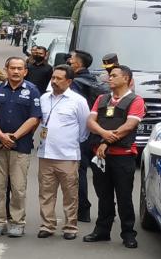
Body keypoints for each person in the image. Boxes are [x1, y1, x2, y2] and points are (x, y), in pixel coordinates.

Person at [84, 65, 145, 249]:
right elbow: (90, 121)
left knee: (125, 196)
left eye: (113, 75)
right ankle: (102, 230)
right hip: (101, 157)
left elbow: (129, 125)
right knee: (104, 196)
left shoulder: (136, 100)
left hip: (122, 157)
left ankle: (128, 234)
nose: (108, 78)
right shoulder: (102, 99)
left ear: (126, 78)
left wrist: (105, 142)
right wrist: (103, 134)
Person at [0, 57, 41, 237]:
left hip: (21, 146)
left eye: (20, 68)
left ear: (25, 71)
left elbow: (34, 118)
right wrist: (1, 135)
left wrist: (14, 136)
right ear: (6, 69)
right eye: (12, 68)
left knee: (18, 187)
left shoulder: (32, 91)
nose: (16, 71)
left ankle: (17, 222)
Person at [36, 65, 90, 240]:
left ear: (69, 81)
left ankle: (70, 227)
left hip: (67, 156)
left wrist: (71, 143)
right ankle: (47, 225)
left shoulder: (78, 101)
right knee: (46, 193)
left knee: (70, 194)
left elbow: (84, 128)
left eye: (59, 79)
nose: (54, 81)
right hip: (45, 155)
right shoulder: (44, 98)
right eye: (53, 78)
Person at [68, 50, 96, 222]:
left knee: (79, 173)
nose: (69, 61)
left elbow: (76, 111)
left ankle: (83, 210)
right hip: (95, 132)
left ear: (79, 64)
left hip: (81, 134)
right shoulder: (94, 80)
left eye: (72, 58)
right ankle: (109, 212)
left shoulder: (76, 84)